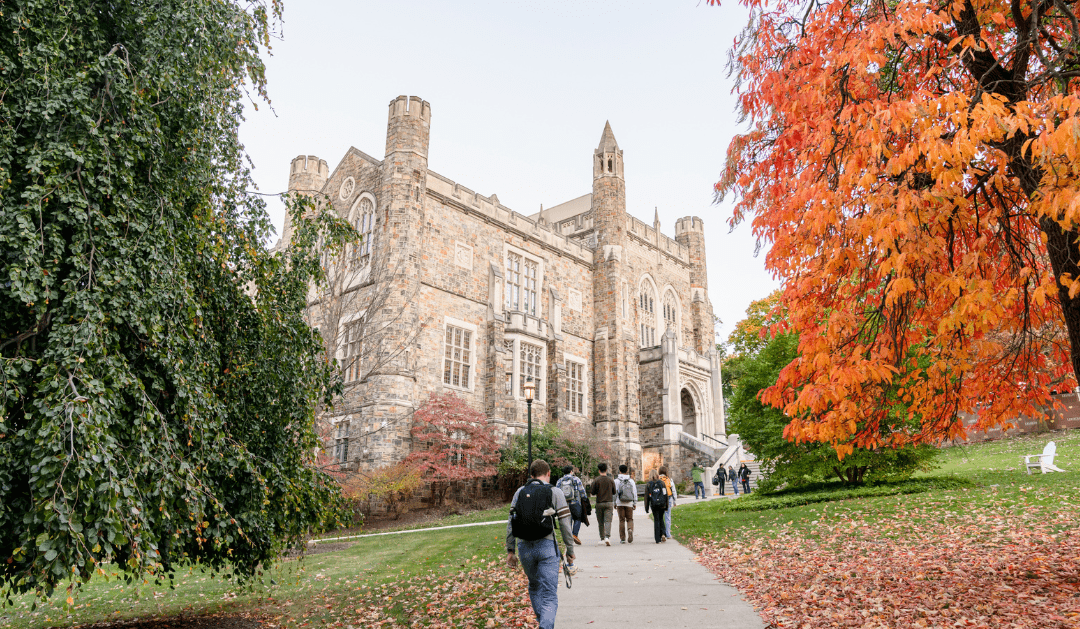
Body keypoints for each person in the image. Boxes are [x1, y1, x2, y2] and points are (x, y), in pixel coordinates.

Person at [506, 459, 576, 629]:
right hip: (547, 546)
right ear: (548, 473)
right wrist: (570, 550)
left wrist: (510, 550)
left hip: (524, 548)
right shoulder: (555, 492)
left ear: (531, 475)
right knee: (549, 593)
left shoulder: (519, 492)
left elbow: (511, 523)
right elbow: (565, 524)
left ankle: (543, 621)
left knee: (534, 585)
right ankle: (545, 624)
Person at [555, 465, 587, 545]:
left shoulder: (560, 480)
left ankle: (569, 537)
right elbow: (581, 490)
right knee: (578, 518)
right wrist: (584, 498)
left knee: (568, 520)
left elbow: (557, 492)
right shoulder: (576, 479)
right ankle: (574, 534)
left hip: (565, 504)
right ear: (571, 471)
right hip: (575, 502)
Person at [589, 462, 616, 546]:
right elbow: (614, 492)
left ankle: (602, 538)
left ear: (599, 470)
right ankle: (607, 537)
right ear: (606, 470)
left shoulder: (596, 480)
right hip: (609, 502)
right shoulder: (610, 480)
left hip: (599, 502)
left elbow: (592, 492)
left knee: (600, 522)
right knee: (608, 521)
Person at [643, 469, 669, 543]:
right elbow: (665, 494)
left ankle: (658, 539)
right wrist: (666, 505)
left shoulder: (648, 484)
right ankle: (663, 533)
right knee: (661, 518)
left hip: (654, 504)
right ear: (657, 475)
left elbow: (646, 497)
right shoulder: (662, 483)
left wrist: (646, 507)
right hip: (662, 504)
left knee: (656, 520)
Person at [613, 464, 637, 544]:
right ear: (627, 471)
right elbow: (634, 492)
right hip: (629, 503)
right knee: (629, 519)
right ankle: (630, 529)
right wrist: (634, 502)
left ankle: (623, 538)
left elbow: (614, 493)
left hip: (620, 503)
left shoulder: (616, 481)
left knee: (621, 520)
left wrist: (614, 503)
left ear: (619, 471)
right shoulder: (631, 481)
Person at [658, 466, 677, 540]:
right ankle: (668, 534)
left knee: (660, 517)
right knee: (667, 517)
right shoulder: (669, 479)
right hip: (668, 499)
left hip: (660, 499)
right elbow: (673, 490)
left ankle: (661, 533)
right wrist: (675, 501)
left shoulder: (657, 479)